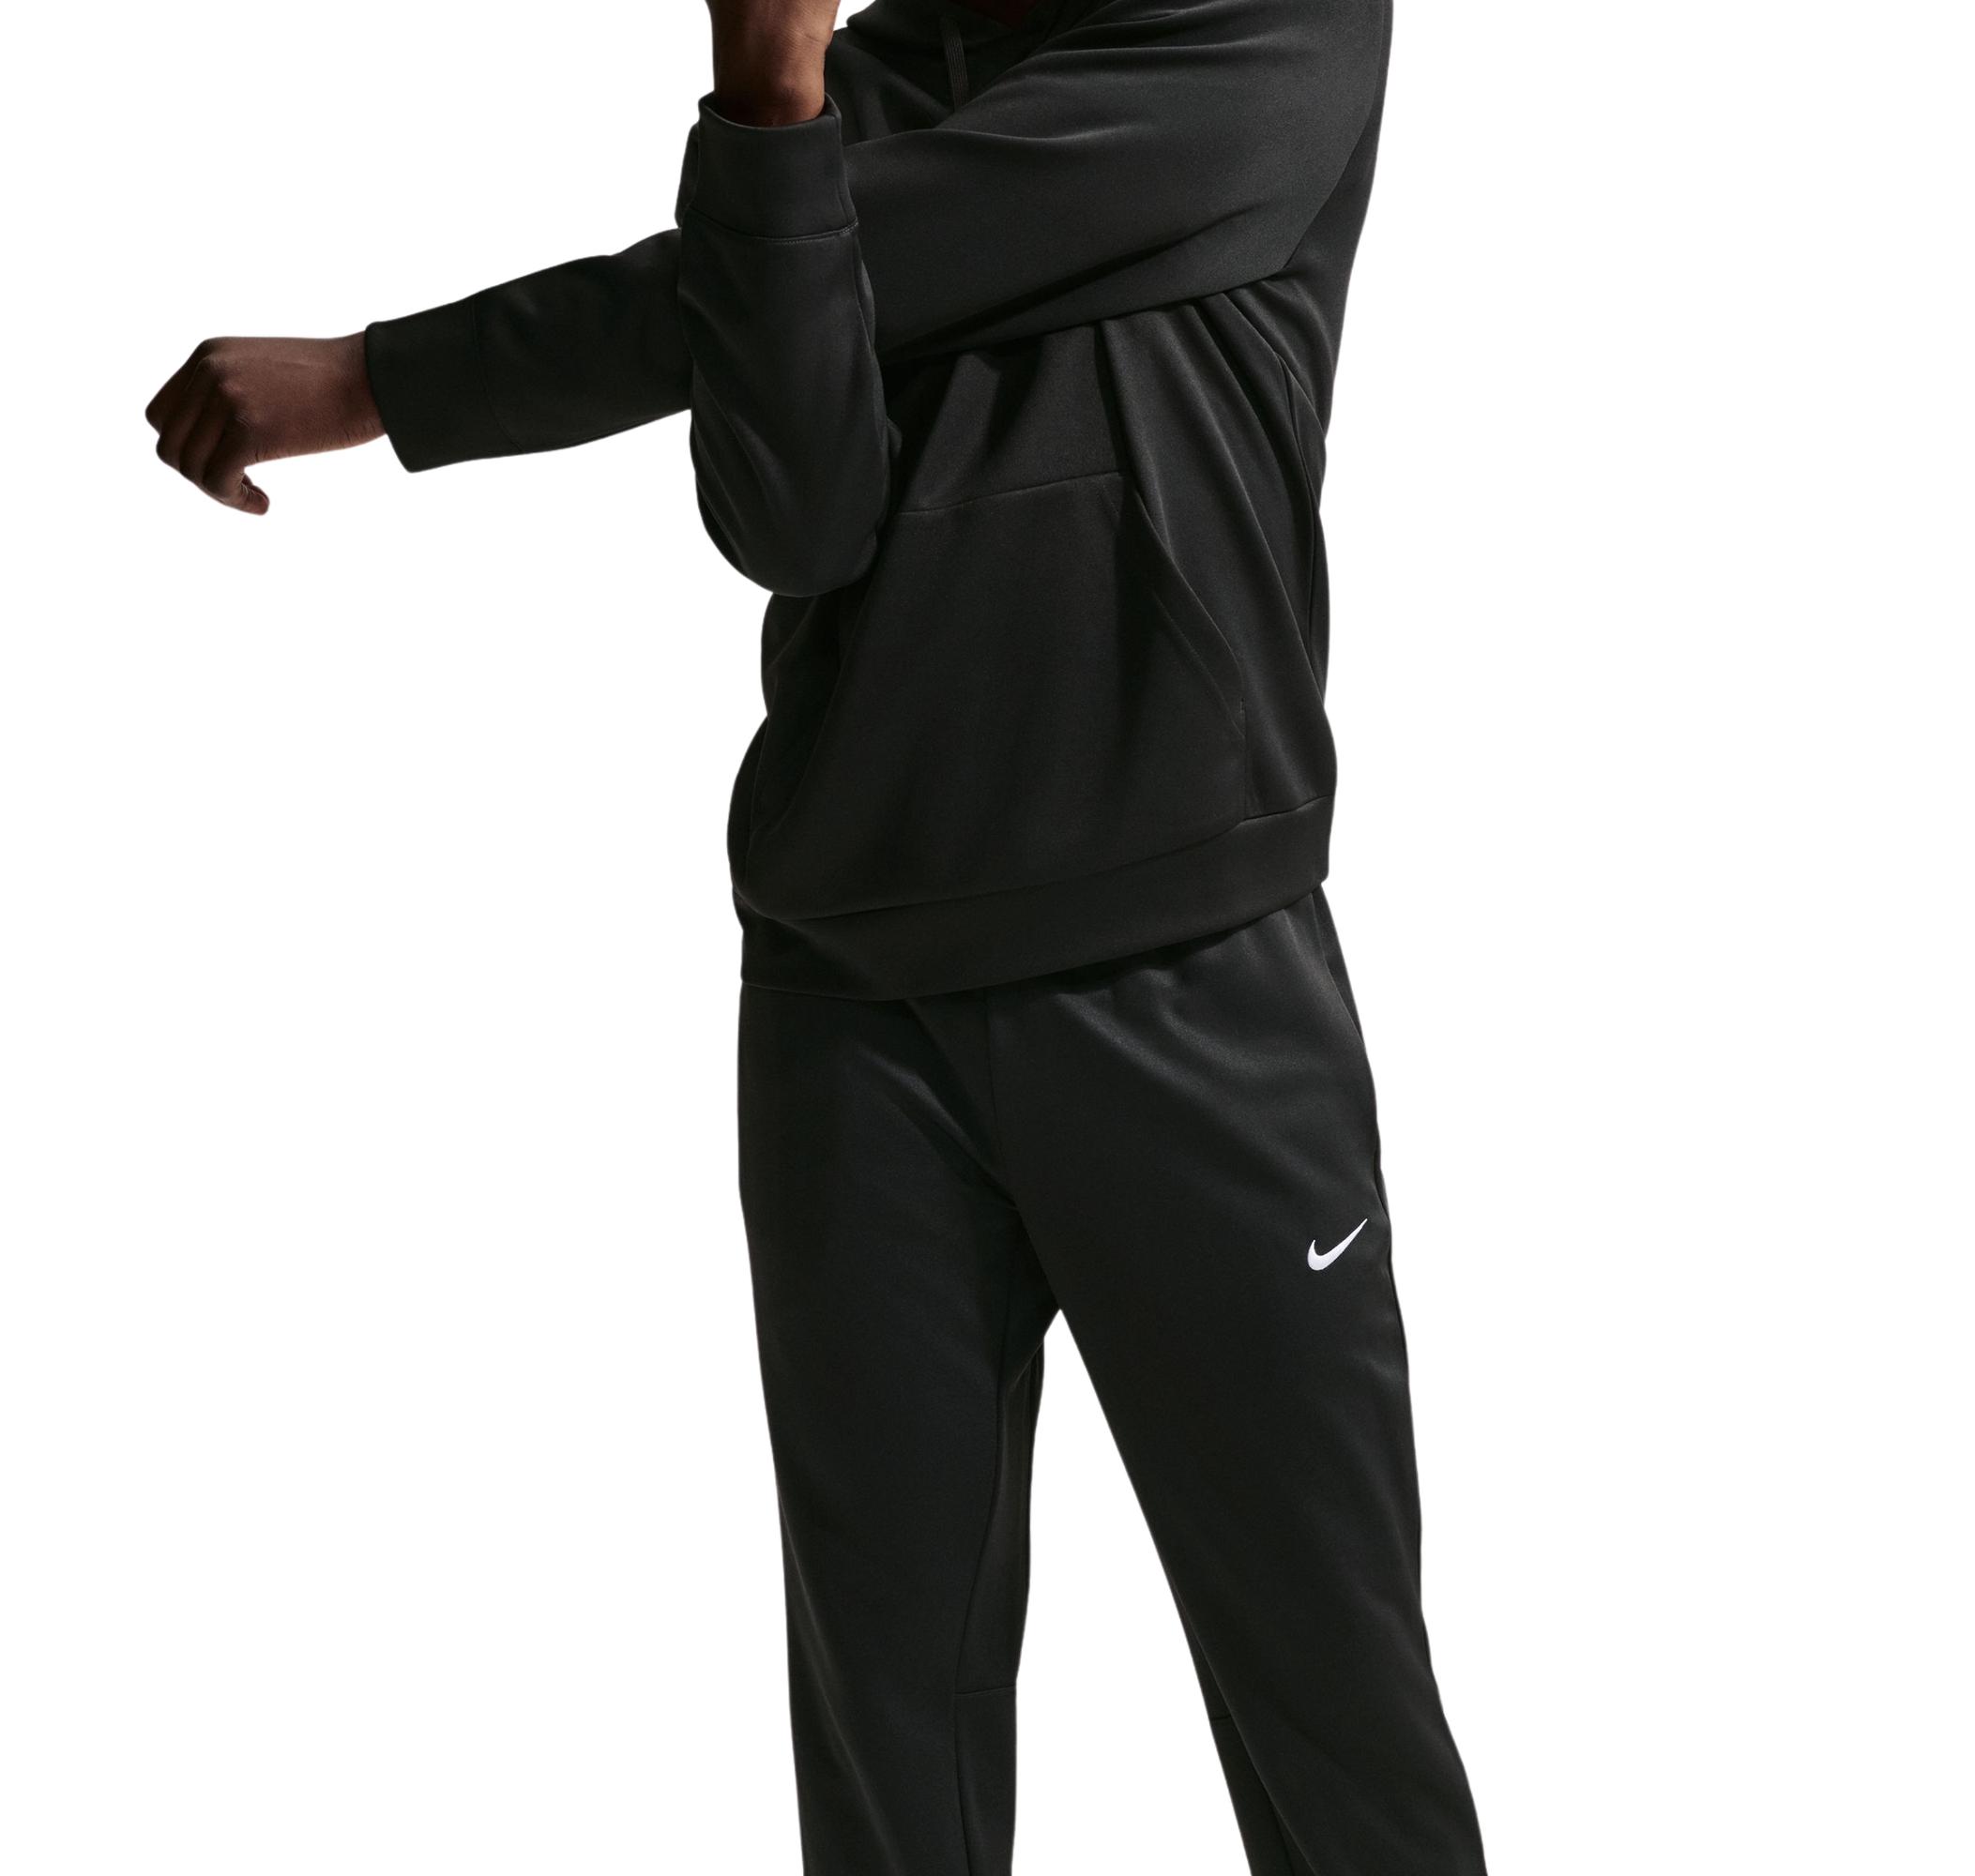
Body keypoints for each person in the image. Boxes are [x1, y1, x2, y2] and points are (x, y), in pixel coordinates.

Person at [145, 0, 1487, 1868]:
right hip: (848, 1001)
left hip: (1188, 984)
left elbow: (818, 274)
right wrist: (773, 108)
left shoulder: (1267, 32)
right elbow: (790, 520)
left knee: (1332, 1706)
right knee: (886, 1740)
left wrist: (385, 378)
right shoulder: (853, 87)